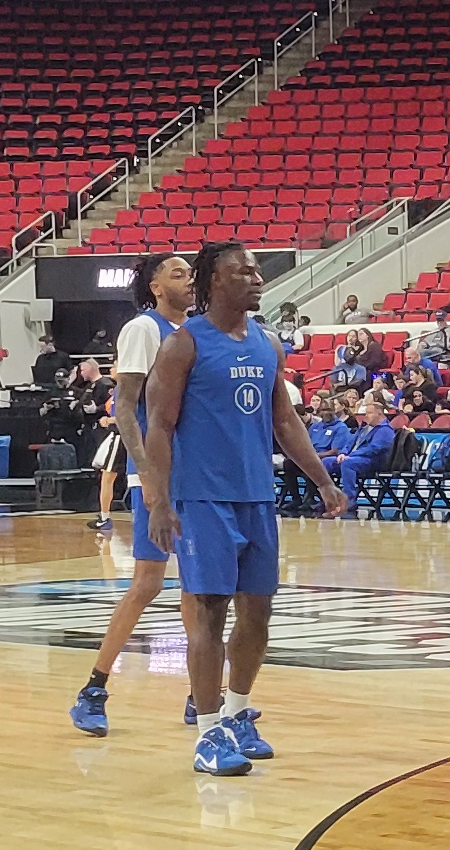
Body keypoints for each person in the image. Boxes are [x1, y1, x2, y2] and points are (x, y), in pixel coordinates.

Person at [138, 242, 350, 779]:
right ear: (213, 282)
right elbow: (157, 427)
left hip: (257, 495)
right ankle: (208, 734)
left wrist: (324, 480)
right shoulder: (184, 345)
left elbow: (285, 422)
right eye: (242, 272)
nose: (256, 280)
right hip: (203, 499)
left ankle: (237, 713)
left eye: (256, 272)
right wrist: (159, 501)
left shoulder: (267, 344)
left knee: (258, 614)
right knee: (208, 613)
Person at [71, 254, 195, 737]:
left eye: (191, 272)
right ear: (156, 286)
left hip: (197, 474)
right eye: (178, 272)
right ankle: (94, 688)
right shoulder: (144, 329)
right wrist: (145, 476)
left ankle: (200, 694)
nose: (189, 280)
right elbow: (125, 408)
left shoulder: (196, 331)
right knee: (146, 583)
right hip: (159, 477)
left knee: (199, 588)